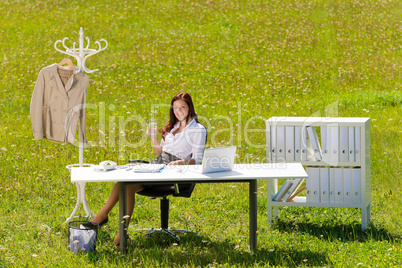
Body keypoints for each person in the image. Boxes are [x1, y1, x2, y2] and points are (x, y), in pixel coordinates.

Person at [85, 92, 207, 245]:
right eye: (175, 108)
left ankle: (102, 221)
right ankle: (118, 231)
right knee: (123, 183)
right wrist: (153, 138)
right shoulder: (173, 126)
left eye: (182, 107)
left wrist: (182, 162)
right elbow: (161, 154)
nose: (178, 111)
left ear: (190, 107)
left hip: (177, 175)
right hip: (159, 168)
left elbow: (198, 160)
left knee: (125, 184)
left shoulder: (198, 129)